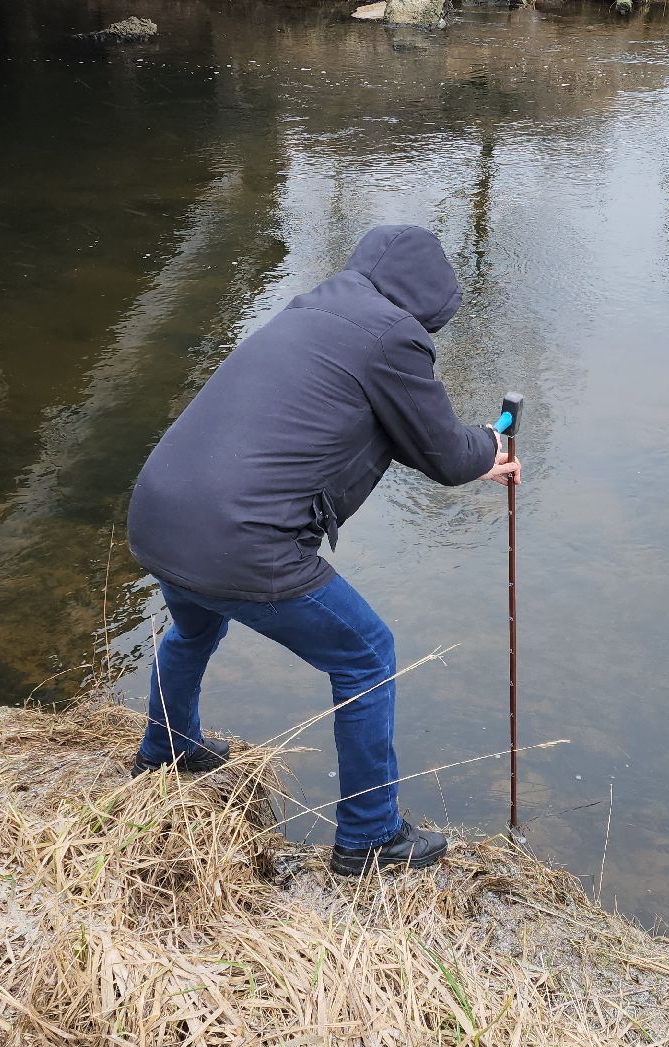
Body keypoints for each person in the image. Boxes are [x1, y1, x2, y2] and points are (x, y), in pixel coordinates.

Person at [125, 224, 520, 876]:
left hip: (161, 516)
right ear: (428, 300)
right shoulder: (393, 336)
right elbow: (448, 455)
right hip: (237, 540)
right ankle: (369, 835)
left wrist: (477, 449)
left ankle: (167, 747)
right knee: (367, 653)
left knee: (192, 628)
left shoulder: (313, 308)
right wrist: (493, 447)